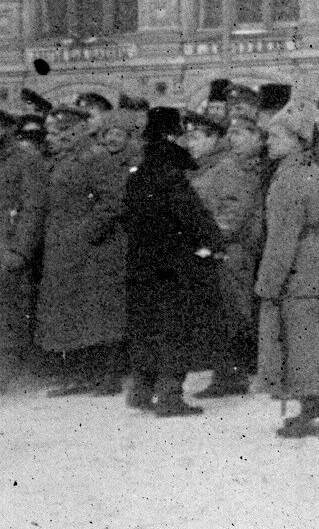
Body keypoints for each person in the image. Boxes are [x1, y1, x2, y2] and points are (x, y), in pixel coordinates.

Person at [255, 101, 319, 437]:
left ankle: (312, 413)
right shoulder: (315, 171)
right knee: (315, 337)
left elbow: (282, 238)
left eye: (275, 136)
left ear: (295, 139)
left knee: (301, 339)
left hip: (297, 266)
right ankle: (313, 408)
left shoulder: (288, 180)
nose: (268, 142)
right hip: (318, 260)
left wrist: (267, 283)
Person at [122, 108, 225, 416]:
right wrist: (213, 243)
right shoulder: (171, 175)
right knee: (174, 328)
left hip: (141, 264)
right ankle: (169, 396)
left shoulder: (138, 174)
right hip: (174, 266)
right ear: (171, 136)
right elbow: (193, 216)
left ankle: (140, 388)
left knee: (145, 326)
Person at [36, 102, 128, 395]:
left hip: (94, 252)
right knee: (73, 313)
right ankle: (84, 375)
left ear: (72, 132)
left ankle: (107, 377)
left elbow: (112, 202)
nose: (48, 138)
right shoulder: (63, 159)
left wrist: (84, 235)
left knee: (99, 314)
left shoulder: (96, 157)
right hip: (66, 250)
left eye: (53, 132)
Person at [192, 108, 267, 396]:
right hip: (223, 249)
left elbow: (233, 212)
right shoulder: (221, 165)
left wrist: (207, 241)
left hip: (229, 251)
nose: (232, 138)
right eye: (231, 132)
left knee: (230, 313)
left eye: (239, 132)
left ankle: (230, 376)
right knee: (224, 312)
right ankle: (228, 374)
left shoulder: (231, 168)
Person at [0, 110, 50, 392]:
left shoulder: (25, 159)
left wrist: (19, 251)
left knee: (9, 313)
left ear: (6, 127)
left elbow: (34, 209)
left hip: (7, 248)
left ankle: (8, 371)